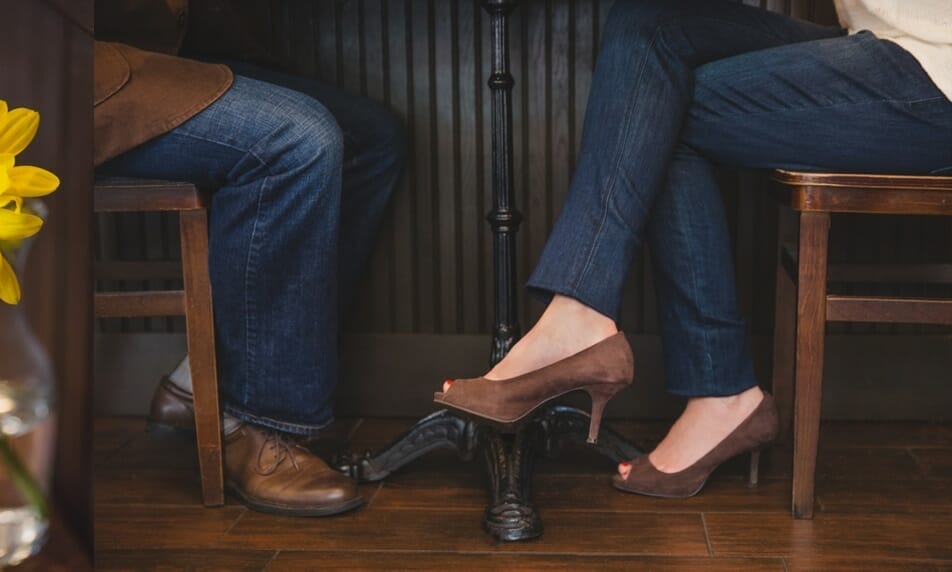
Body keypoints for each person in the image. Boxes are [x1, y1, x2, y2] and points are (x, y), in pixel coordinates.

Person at [436, 0, 951, 498]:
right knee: (649, 23)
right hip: (887, 41)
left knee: (657, 106)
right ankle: (618, 335)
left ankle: (701, 381)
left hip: (935, 71)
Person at [94, 0, 404, 515]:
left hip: (153, 50)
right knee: (297, 140)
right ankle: (252, 421)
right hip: (66, 68)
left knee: (369, 139)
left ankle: (203, 380)